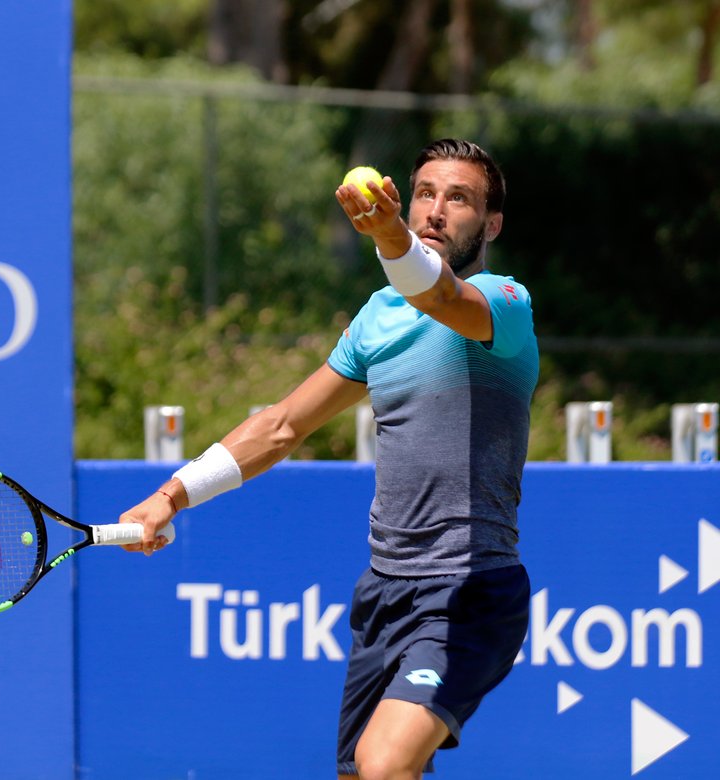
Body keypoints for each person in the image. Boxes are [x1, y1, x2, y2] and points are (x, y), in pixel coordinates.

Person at [120, 138, 539, 780]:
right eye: (425, 193)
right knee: (361, 773)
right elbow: (282, 425)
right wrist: (171, 494)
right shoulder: (379, 316)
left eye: (460, 199)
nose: (436, 210)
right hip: (384, 592)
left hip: (470, 589)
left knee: (384, 762)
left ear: (491, 223)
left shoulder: (504, 303)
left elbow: (442, 299)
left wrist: (391, 237)